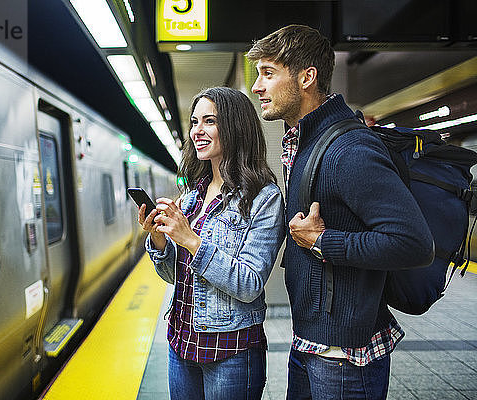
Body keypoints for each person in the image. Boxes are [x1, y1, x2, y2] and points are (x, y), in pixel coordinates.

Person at [246, 25, 434, 399]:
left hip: (345, 356)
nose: (256, 87)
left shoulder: (348, 149)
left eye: (268, 73)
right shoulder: (306, 142)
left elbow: (413, 243)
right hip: (312, 343)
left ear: (306, 77)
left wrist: (323, 241)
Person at [138, 87, 285, 400]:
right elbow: (173, 276)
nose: (197, 131)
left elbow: (249, 283)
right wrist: (159, 238)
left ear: (234, 127)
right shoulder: (192, 196)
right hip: (181, 344)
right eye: (194, 122)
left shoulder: (264, 198)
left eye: (209, 121)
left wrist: (191, 240)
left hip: (230, 352)